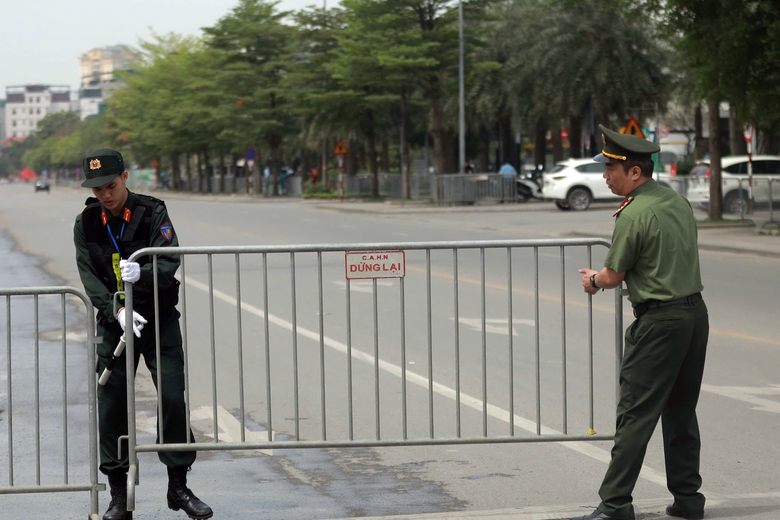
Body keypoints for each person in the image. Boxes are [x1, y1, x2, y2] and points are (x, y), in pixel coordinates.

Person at [573, 126, 708, 520]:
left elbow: (613, 276)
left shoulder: (634, 212)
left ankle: (615, 504)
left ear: (634, 172)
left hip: (660, 322)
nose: (604, 175)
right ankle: (688, 501)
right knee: (681, 411)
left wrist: (593, 281)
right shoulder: (675, 201)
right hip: (694, 317)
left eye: (610, 168)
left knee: (635, 414)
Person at [73, 149, 213, 520]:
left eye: (111, 185)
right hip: (115, 323)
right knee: (113, 403)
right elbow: (89, 276)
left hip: (158, 317)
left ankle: (178, 488)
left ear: (125, 178)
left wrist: (145, 275)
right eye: (97, 188)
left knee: (171, 395)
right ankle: (118, 495)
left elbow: (168, 259)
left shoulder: (152, 212)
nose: (105, 194)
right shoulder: (86, 222)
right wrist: (116, 310)